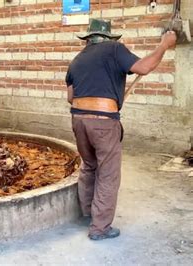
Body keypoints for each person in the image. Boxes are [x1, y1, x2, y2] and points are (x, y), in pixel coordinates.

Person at [65, 18, 177, 240]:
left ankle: (88, 213)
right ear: (107, 37)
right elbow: (144, 67)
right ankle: (100, 228)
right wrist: (164, 44)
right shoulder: (114, 49)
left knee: (89, 166)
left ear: (88, 38)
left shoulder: (76, 60)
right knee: (108, 173)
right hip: (104, 122)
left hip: (78, 120)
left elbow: (70, 97)